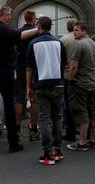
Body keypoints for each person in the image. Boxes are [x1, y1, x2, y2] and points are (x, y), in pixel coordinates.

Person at [0, 6, 38, 152]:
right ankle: (13, 142)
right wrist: (37, 29)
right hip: (4, 70)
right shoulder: (1, 28)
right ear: (1, 16)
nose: (10, 17)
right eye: (8, 15)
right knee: (9, 105)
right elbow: (19, 36)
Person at [26, 16, 67, 165]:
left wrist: (29, 87)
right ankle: (57, 149)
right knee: (56, 117)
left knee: (43, 118)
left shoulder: (33, 43)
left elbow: (29, 68)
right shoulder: (58, 43)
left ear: (39, 26)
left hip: (41, 84)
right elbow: (64, 64)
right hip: (57, 84)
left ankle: (48, 151)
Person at [66, 21, 95, 151]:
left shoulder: (79, 44)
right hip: (91, 82)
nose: (74, 32)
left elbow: (73, 65)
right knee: (92, 111)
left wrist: (71, 78)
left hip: (80, 83)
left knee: (81, 111)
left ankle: (82, 141)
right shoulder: (93, 43)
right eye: (74, 30)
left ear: (84, 30)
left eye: (77, 30)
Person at [15, 10, 39, 141]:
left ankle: (17, 128)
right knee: (33, 97)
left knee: (19, 97)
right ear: (34, 18)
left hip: (20, 66)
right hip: (34, 67)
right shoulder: (37, 32)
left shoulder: (19, 31)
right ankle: (34, 129)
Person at [60, 19, 77, 142]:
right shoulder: (84, 40)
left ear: (67, 28)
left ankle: (70, 131)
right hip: (81, 75)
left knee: (68, 103)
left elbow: (60, 58)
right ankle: (84, 131)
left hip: (67, 75)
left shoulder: (64, 40)